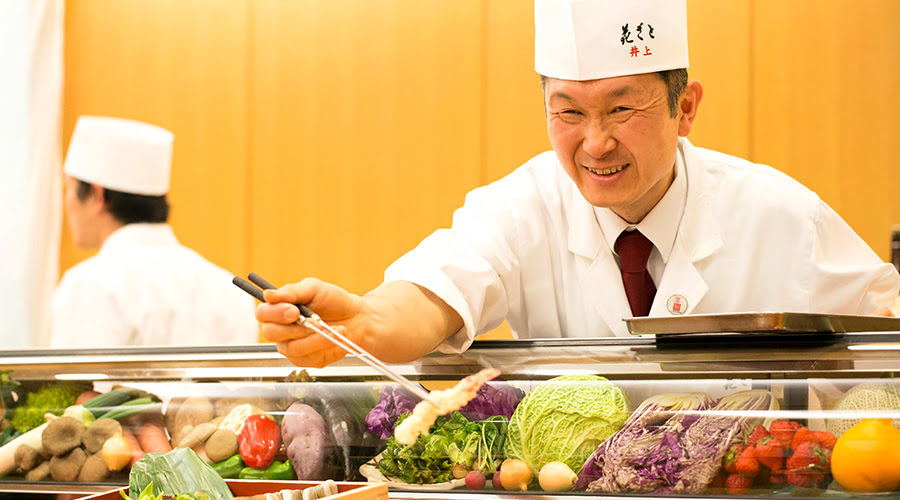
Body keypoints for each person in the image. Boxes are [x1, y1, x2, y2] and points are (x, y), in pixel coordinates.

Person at [257, 0, 899, 368]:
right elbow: (434, 290)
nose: (595, 144)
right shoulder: (525, 204)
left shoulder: (779, 214)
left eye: (623, 109)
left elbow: (886, 334)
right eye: (568, 112)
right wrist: (362, 322)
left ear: (686, 107)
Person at [50, 116, 258, 347]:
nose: (66, 203)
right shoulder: (229, 289)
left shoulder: (90, 286)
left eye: (68, 189)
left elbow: (76, 383)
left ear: (98, 197)